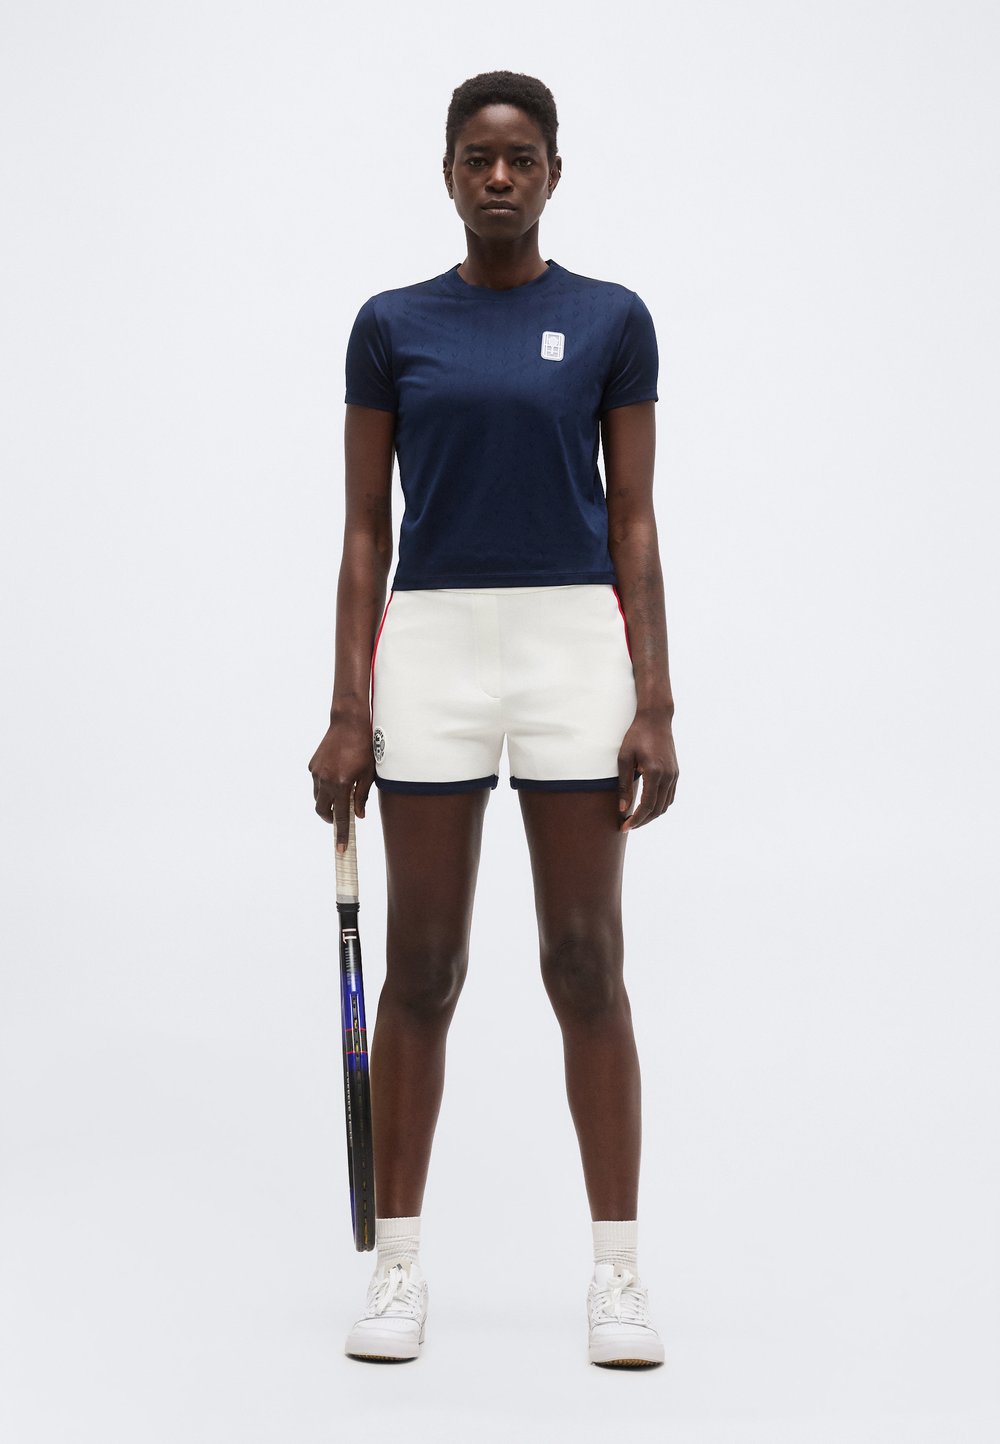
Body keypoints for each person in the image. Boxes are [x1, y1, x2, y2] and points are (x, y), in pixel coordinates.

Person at [308, 69, 678, 1368]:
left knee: (584, 959)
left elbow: (634, 521)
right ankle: (398, 1269)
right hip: (435, 650)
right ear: (450, 173)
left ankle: (619, 1276)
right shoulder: (392, 325)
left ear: (555, 173)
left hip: (576, 647)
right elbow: (366, 530)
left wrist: (656, 699)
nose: (501, 176)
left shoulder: (611, 318)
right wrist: (347, 707)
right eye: (479, 157)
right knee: (424, 968)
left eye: (522, 158)